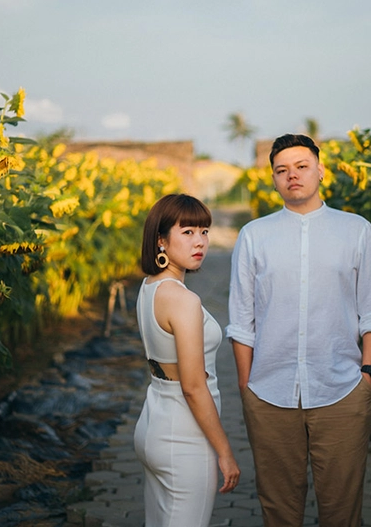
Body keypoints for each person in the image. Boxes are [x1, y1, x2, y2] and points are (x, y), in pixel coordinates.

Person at [227, 134, 371, 527]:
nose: (292, 175)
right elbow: (242, 319)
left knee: (342, 510)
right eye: (282, 170)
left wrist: (367, 376)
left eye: (301, 166)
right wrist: (247, 386)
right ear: (273, 179)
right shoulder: (254, 235)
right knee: (278, 509)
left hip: (342, 390)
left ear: (321, 171)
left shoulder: (356, 230)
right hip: (269, 393)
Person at [133, 194, 240, 527]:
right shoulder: (183, 300)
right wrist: (224, 450)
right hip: (184, 437)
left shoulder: (149, 287)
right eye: (188, 232)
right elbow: (193, 387)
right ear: (161, 240)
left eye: (204, 232)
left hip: (153, 424)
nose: (200, 242)